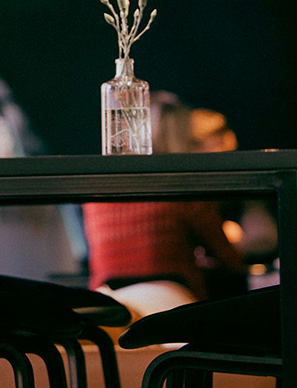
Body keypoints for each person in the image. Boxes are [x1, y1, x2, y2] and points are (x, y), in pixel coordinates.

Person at [82, 94, 249, 317]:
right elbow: (230, 262)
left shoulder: (99, 188)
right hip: (169, 305)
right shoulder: (185, 186)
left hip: (108, 303)